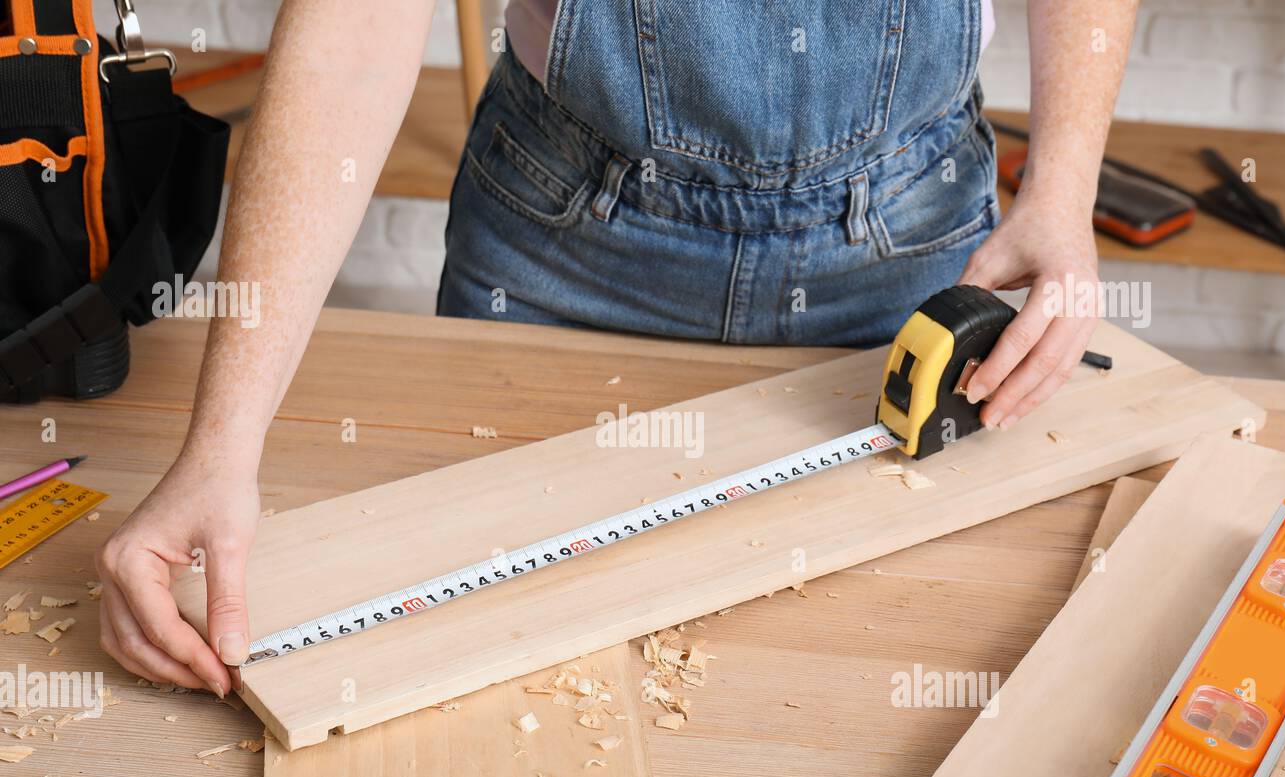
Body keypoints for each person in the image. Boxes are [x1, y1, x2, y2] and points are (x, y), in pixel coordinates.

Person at [95, 0, 1138, 694]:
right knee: (481, 680)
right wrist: (221, 446)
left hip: (905, 243)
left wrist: (1064, 192)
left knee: (864, 681)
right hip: (569, 242)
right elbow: (356, 29)